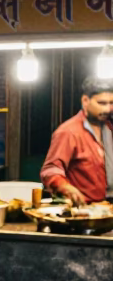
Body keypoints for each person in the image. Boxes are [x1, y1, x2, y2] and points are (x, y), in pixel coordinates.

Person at [41, 76, 113, 205]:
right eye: (102, 103)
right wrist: (66, 188)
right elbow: (50, 170)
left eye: (111, 103)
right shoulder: (68, 132)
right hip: (86, 210)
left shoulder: (109, 128)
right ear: (85, 101)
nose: (108, 109)